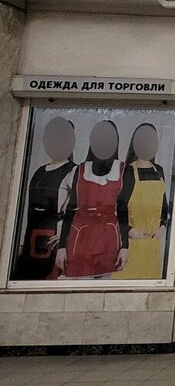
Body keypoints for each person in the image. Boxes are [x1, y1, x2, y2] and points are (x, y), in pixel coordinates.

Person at [56, 120, 126, 278]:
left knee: (104, 286)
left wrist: (125, 247)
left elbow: (123, 211)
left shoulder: (123, 171)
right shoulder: (79, 171)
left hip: (109, 240)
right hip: (81, 238)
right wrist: (61, 247)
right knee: (76, 285)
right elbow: (70, 210)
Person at [12, 117, 76, 280]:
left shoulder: (74, 172)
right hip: (30, 242)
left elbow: (80, 210)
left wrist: (66, 236)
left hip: (54, 247)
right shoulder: (40, 171)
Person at [113, 123, 169, 280]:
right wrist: (129, 231)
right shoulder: (127, 171)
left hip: (153, 243)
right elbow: (119, 209)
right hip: (132, 243)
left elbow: (164, 206)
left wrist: (163, 226)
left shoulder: (159, 170)